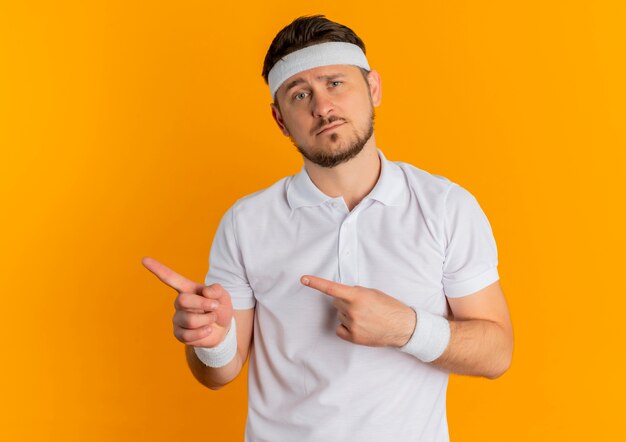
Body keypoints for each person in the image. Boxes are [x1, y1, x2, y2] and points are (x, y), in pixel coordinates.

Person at [142, 14, 514, 442]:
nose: (322, 107)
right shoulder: (246, 223)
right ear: (280, 120)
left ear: (373, 88)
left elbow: (496, 352)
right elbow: (218, 373)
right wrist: (209, 340)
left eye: (335, 83)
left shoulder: (445, 206)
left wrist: (405, 328)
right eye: (300, 94)